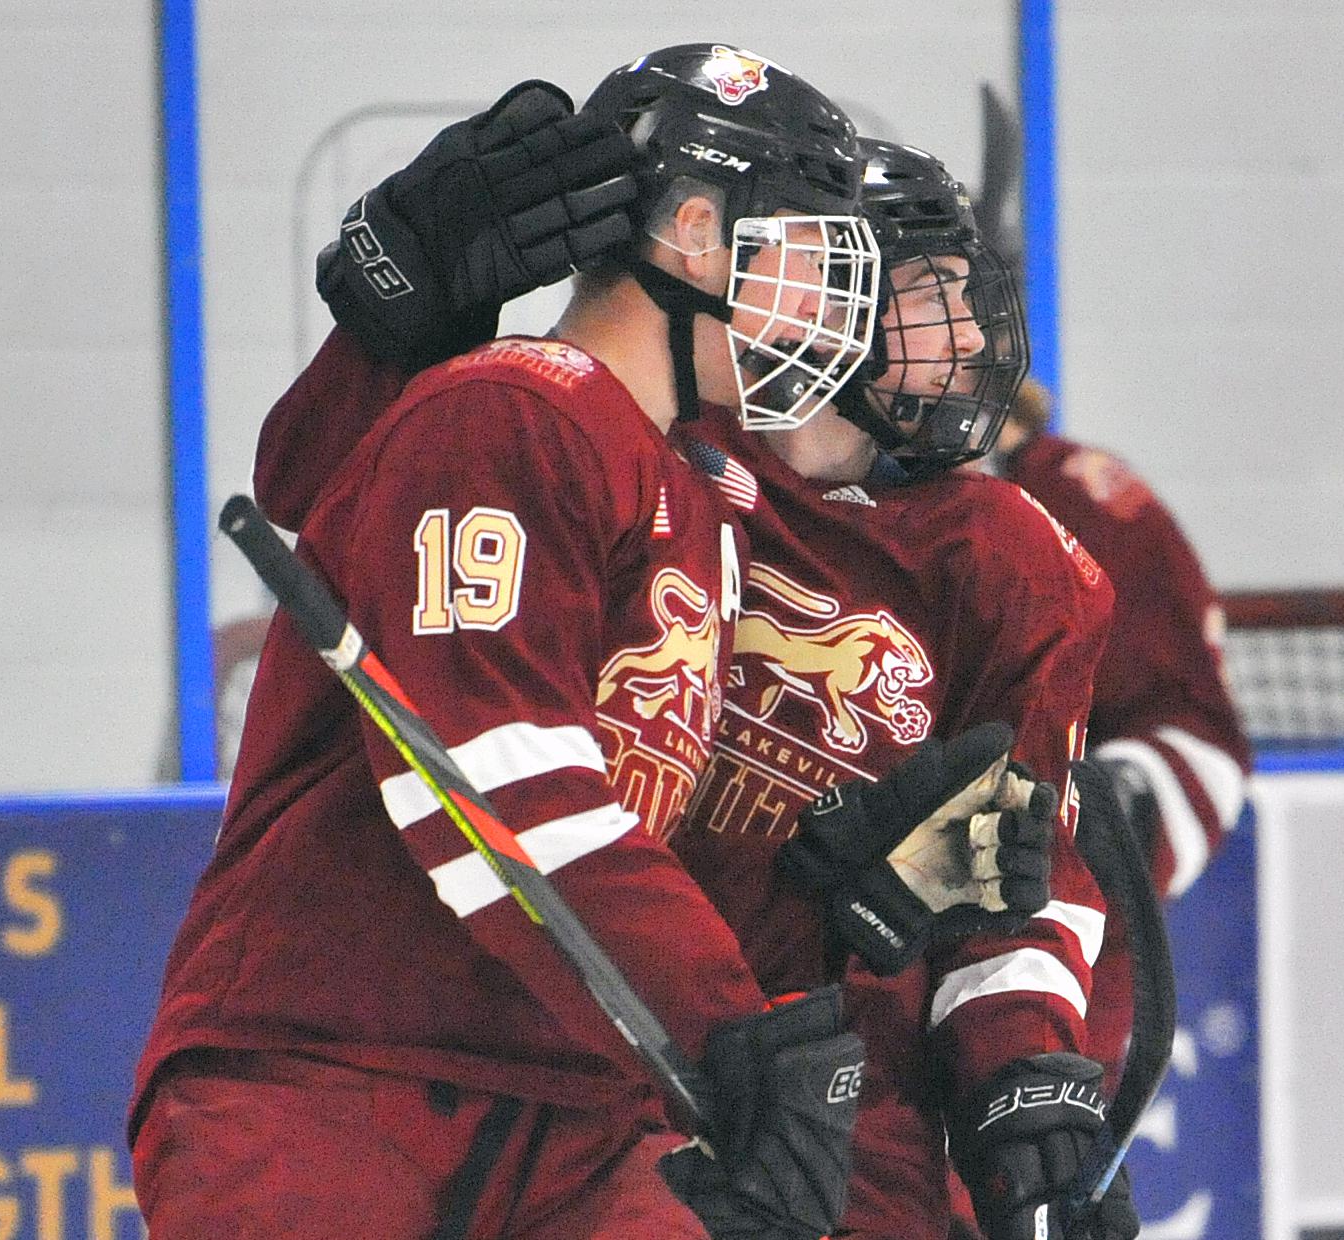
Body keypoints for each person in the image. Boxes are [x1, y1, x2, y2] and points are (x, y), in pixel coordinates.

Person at [245, 113, 1136, 1240]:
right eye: (927, 288)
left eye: (970, 291)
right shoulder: (658, 450)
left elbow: (1019, 885)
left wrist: (1017, 1077)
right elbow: (344, 506)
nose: (963, 329)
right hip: (607, 1064)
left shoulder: (1016, 568)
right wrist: (386, 335)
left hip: (821, 1093)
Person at [130, 47, 896, 1240]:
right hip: (330, 1072)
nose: (823, 307)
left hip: (572, 1107)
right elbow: (496, 781)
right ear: (693, 230)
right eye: (805, 252)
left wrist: (850, 885)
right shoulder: (513, 411)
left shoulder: (698, 488)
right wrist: (725, 1023)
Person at [982, 377, 1252, 1081]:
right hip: (1178, 751)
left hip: (1161, 760)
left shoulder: (1037, 493)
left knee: (1068, 853)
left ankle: (1059, 1105)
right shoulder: (1055, 473)